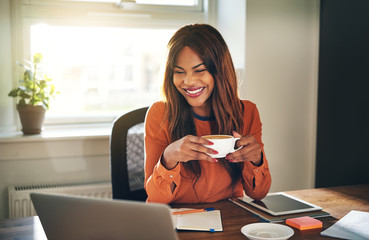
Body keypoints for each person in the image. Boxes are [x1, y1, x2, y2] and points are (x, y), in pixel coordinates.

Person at [144, 24, 271, 204]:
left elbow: (259, 193)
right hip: (178, 223)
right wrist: (168, 157)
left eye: (199, 70)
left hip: (228, 221)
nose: (188, 81)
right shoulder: (159, 114)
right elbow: (156, 199)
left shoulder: (247, 112)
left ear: (219, 71)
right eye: (179, 72)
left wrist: (256, 160)